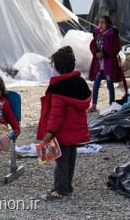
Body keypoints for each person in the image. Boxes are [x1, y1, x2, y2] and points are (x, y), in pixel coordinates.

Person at [37, 46, 91, 201]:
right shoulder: (80, 83)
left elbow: (56, 114)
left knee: (60, 160)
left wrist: (50, 131)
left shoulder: (58, 86)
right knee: (70, 158)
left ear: (58, 67)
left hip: (61, 131)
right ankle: (67, 186)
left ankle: (60, 190)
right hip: (75, 130)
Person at [88, 16, 126, 112]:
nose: (100, 24)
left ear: (107, 24)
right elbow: (92, 45)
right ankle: (94, 105)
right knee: (96, 84)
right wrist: (96, 52)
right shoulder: (98, 34)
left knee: (109, 85)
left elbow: (117, 47)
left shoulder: (112, 35)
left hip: (108, 64)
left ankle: (111, 104)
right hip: (99, 64)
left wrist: (105, 53)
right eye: (99, 22)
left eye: (103, 22)